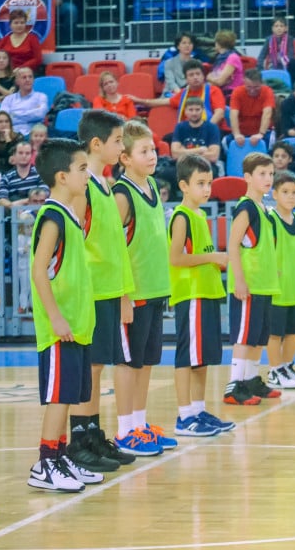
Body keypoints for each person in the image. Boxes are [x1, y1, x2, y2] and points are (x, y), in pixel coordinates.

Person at [62, 111, 140, 464]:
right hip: (90, 292)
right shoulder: (83, 188)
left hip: (109, 291)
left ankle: (92, 433)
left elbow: (115, 247)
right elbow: (75, 244)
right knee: (89, 369)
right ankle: (79, 440)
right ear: (96, 144)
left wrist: (125, 291)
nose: (121, 147)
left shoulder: (105, 186)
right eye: (118, 141)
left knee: (97, 368)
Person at [26, 137, 103, 493]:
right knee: (58, 398)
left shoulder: (70, 215)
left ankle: (59, 456)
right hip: (60, 327)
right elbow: (39, 270)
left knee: (69, 395)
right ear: (61, 176)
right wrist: (56, 317)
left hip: (77, 325)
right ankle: (44, 463)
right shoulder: (53, 216)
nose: (88, 174)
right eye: (82, 168)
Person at [113, 121, 176, 451]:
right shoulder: (121, 195)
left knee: (147, 361)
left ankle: (139, 423)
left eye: (153, 149)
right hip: (132, 294)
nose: (152, 155)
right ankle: (125, 431)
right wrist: (122, 293)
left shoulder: (151, 185)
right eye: (144, 151)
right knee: (128, 362)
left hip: (155, 290)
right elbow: (114, 249)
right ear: (124, 158)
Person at [167, 154, 234, 436]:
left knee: (202, 358)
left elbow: (199, 255)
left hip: (206, 292)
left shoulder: (200, 215)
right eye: (200, 183)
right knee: (187, 357)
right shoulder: (181, 216)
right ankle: (184, 416)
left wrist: (215, 261)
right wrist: (213, 258)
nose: (206, 189)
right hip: (191, 294)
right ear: (183, 185)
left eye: (209, 183)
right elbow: (176, 258)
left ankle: (197, 410)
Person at [223, 152, 283, 404]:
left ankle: (250, 380)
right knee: (244, 337)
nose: (268, 178)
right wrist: (238, 280)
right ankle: (233, 386)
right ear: (247, 177)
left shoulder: (265, 209)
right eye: (262, 174)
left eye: (271, 174)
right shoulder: (246, 207)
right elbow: (233, 245)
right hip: (249, 284)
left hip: (265, 284)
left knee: (258, 336)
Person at [266, 170, 295, 388]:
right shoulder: (270, 219)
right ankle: (274, 371)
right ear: (274, 194)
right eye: (285, 192)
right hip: (277, 287)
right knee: (275, 333)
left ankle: (287, 366)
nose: (291, 196)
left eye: (294, 192)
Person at [137, 60, 227, 131]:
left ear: (203, 76)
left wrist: (205, 129)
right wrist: (140, 101)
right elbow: (163, 101)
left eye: (198, 74)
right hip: (189, 131)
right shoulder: (184, 93)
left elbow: (219, 114)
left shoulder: (213, 90)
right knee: (168, 139)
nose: (195, 77)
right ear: (186, 79)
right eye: (191, 75)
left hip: (211, 130)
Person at [229, 68, 276, 148]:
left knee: (270, 141)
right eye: (249, 87)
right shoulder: (237, 92)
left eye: (256, 87)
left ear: (261, 83)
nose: (252, 90)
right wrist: (237, 134)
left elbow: (267, 113)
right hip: (242, 133)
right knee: (227, 142)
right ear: (244, 82)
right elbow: (233, 115)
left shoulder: (267, 91)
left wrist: (261, 134)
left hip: (262, 132)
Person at [0, 67, 48, 136]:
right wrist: (31, 113)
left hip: (33, 135)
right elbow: (4, 120)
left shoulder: (41, 97)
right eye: (24, 77)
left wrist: (14, 114)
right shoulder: (8, 99)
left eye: (30, 77)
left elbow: (40, 114)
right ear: (17, 81)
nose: (28, 80)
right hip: (13, 134)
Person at [172, 97, 222, 164]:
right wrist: (200, 150)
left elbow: (213, 157)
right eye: (190, 110)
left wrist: (184, 151)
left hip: (205, 165)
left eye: (197, 110)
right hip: (184, 165)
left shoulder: (212, 128)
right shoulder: (180, 127)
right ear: (185, 111)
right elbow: (175, 155)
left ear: (203, 110)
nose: (194, 113)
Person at [0, 140, 42, 207]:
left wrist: (21, 203)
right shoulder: (6, 177)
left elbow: (45, 195)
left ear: (31, 155)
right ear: (14, 155)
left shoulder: (40, 174)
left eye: (27, 153)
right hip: (14, 213)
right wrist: (12, 206)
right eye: (20, 153)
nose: (24, 156)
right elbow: (1, 200)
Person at [0, 8, 43, 73]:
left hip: (26, 74)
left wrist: (20, 69)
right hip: (7, 73)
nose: (19, 25)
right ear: (10, 25)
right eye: (16, 23)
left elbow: (38, 59)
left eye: (22, 23)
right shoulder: (4, 40)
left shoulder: (32, 39)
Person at [207, 30, 244, 99]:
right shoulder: (218, 58)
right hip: (220, 91)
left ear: (218, 44)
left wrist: (208, 77)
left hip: (232, 94)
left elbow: (220, 81)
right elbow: (219, 80)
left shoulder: (233, 57)